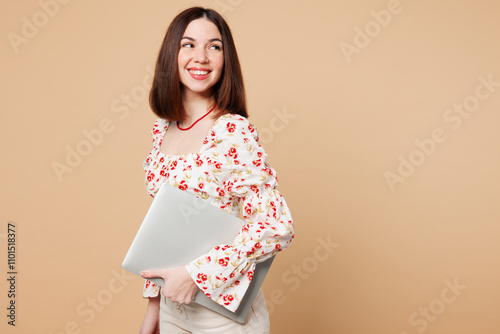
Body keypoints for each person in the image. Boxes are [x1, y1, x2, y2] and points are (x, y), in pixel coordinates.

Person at [138, 7, 294, 334]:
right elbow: (163, 228)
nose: (202, 57)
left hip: (221, 312)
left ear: (226, 60)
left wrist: (196, 275)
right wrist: (155, 305)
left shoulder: (232, 132)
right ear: (172, 54)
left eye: (214, 46)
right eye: (188, 45)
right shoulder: (163, 129)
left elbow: (276, 225)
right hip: (172, 305)